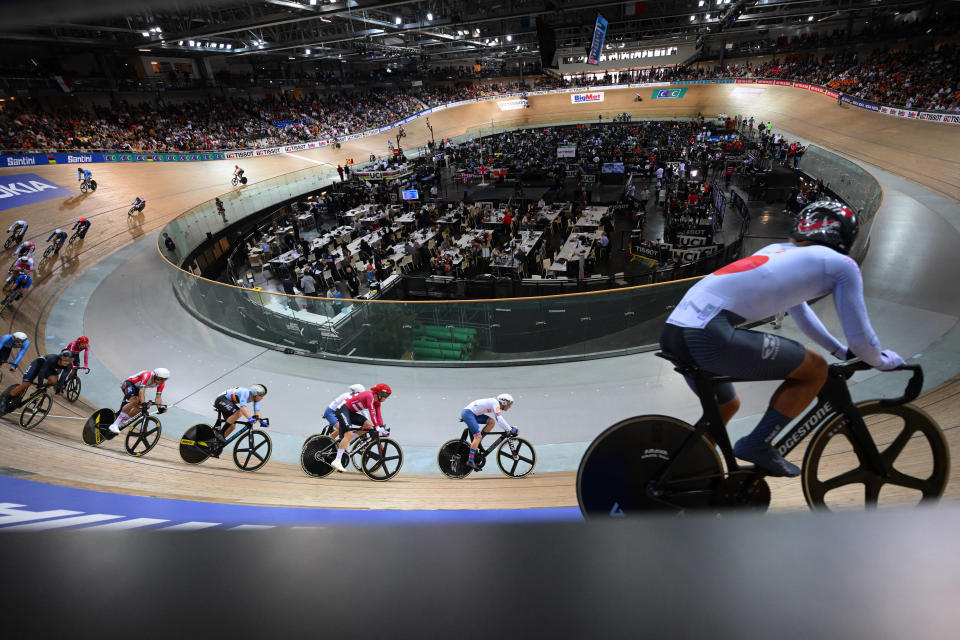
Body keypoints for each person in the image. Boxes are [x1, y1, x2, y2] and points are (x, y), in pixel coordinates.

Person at [659, 201, 905, 477]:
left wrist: (838, 350)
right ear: (845, 235)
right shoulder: (841, 265)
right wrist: (883, 361)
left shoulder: (777, 251)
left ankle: (680, 471)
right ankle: (758, 445)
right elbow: (861, 341)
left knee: (726, 405)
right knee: (815, 369)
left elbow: (800, 312)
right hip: (707, 335)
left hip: (673, 332)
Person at [332, 383, 391, 472]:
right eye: (385, 395)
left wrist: (381, 427)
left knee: (368, 425)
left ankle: (349, 441)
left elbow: (378, 415)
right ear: (379, 394)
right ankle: (337, 461)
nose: (386, 398)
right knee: (349, 434)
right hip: (342, 410)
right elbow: (372, 412)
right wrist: (378, 428)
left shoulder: (377, 403)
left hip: (350, 412)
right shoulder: (369, 396)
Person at [461, 394, 516, 471]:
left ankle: (478, 442)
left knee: (491, 422)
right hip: (468, 414)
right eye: (509, 404)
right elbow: (500, 419)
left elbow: (498, 419)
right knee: (478, 436)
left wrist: (509, 428)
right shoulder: (495, 403)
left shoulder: (495, 403)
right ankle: (470, 461)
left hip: (472, 414)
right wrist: (510, 429)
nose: (510, 407)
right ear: (504, 403)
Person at [210, 385, 269, 456]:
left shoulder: (255, 399)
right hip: (221, 400)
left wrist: (261, 421)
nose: (262, 398)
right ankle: (220, 434)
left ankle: (215, 445)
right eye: (261, 395)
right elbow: (243, 408)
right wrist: (250, 418)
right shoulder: (245, 393)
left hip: (227, 402)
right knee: (239, 413)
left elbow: (257, 411)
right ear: (255, 394)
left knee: (232, 426)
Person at [107, 368, 170, 434]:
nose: (162, 381)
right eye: (160, 379)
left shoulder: (162, 384)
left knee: (142, 408)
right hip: (129, 383)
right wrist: (143, 403)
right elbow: (142, 390)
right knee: (135, 400)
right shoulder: (147, 375)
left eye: (164, 379)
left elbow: (158, 397)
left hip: (137, 389)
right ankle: (115, 424)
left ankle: (122, 421)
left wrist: (159, 408)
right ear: (155, 376)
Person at [5, 350, 73, 410]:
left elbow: (63, 377)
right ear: (60, 358)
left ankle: (36, 394)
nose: (67, 362)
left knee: (53, 381)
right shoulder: (52, 359)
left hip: (48, 368)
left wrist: (58, 389)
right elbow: (42, 371)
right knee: (26, 384)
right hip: (37, 365)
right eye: (65, 360)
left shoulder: (69, 365)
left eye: (69, 361)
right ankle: (6, 399)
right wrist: (40, 384)